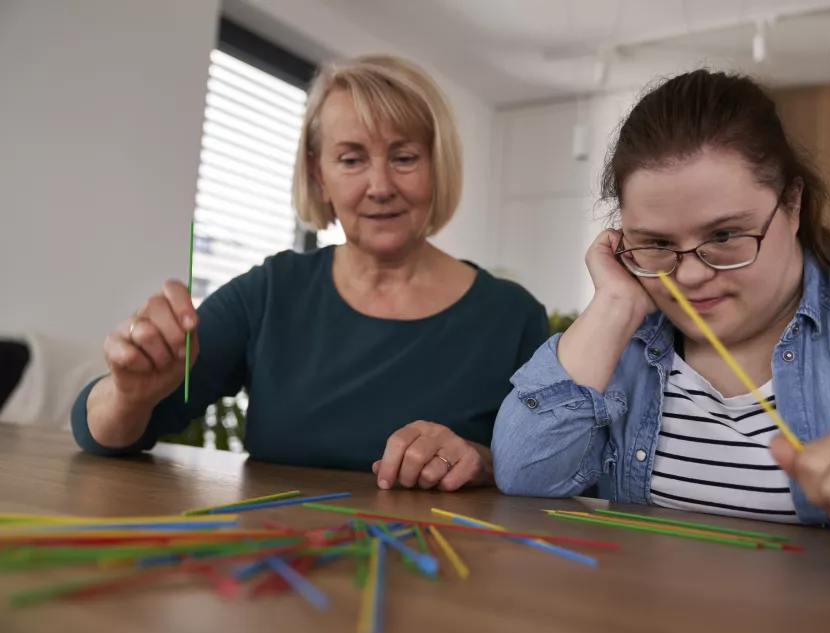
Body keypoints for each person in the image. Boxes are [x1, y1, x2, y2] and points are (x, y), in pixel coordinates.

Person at [492, 69, 830, 563]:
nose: (689, 277)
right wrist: (615, 305)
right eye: (657, 242)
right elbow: (524, 476)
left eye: (724, 236)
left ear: (792, 204)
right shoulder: (624, 336)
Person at [71, 55, 549, 492]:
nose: (380, 186)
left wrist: (483, 461)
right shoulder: (269, 293)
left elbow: (557, 469)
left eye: (404, 158)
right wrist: (128, 396)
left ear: (437, 166)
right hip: (280, 552)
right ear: (319, 175)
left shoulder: (513, 316)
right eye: (351, 159)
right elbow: (105, 434)